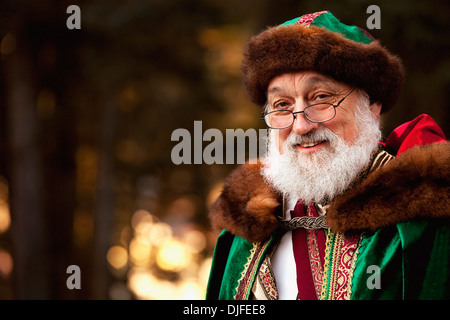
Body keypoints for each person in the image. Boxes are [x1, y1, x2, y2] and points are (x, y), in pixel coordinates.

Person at [205, 11, 449, 300]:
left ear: (372, 104)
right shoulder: (243, 231)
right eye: (282, 104)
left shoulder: (424, 225)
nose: (301, 125)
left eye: (321, 98)